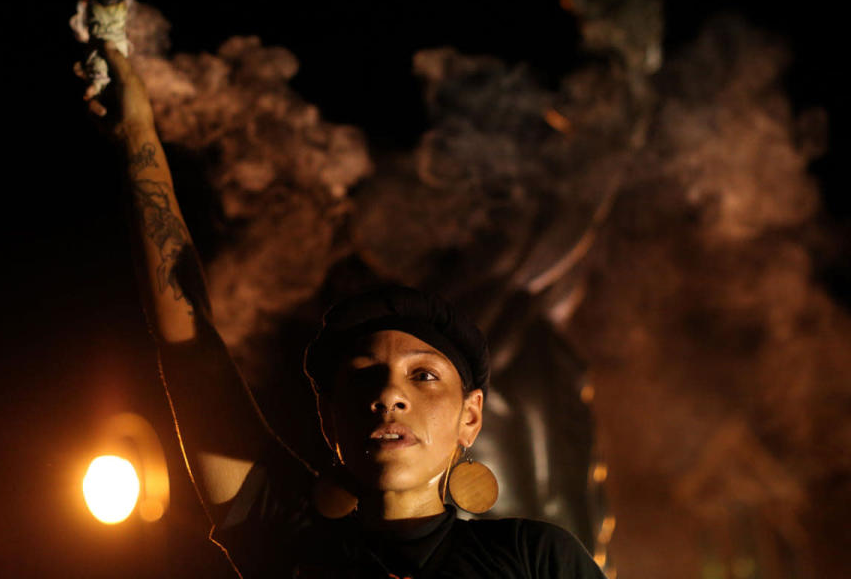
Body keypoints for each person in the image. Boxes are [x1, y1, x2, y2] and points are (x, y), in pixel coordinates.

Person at [78, 39, 607, 578]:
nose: (389, 395)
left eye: (422, 376)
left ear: (469, 417)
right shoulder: (286, 538)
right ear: (329, 417)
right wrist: (138, 135)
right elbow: (189, 344)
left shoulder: (536, 558)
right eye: (363, 377)